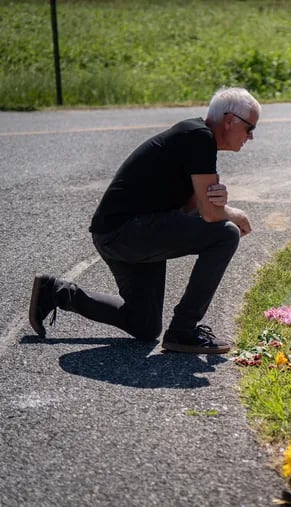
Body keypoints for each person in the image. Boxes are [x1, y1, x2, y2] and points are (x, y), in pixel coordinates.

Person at [28, 87, 261, 354]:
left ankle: (56, 292)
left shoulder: (195, 138)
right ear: (229, 120)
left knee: (144, 325)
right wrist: (233, 213)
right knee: (227, 233)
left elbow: (191, 212)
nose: (251, 136)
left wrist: (213, 202)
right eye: (250, 127)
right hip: (125, 232)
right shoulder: (200, 137)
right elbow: (211, 217)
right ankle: (184, 330)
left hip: (123, 233)